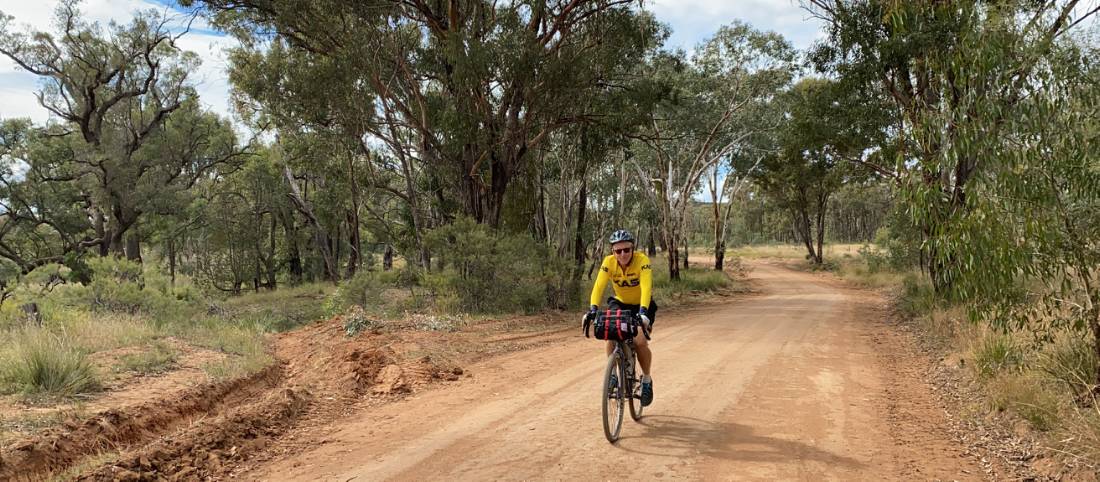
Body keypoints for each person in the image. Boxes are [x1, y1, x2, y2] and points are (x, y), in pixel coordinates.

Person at [583, 229, 657, 406]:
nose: (622, 254)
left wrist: (644, 313)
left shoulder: (642, 261)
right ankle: (614, 375)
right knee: (610, 332)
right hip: (620, 303)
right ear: (612, 252)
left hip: (642, 305)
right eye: (618, 251)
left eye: (626, 250)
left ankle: (646, 380)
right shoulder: (609, 262)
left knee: (639, 341)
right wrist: (592, 309)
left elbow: (646, 288)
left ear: (633, 249)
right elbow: (599, 286)